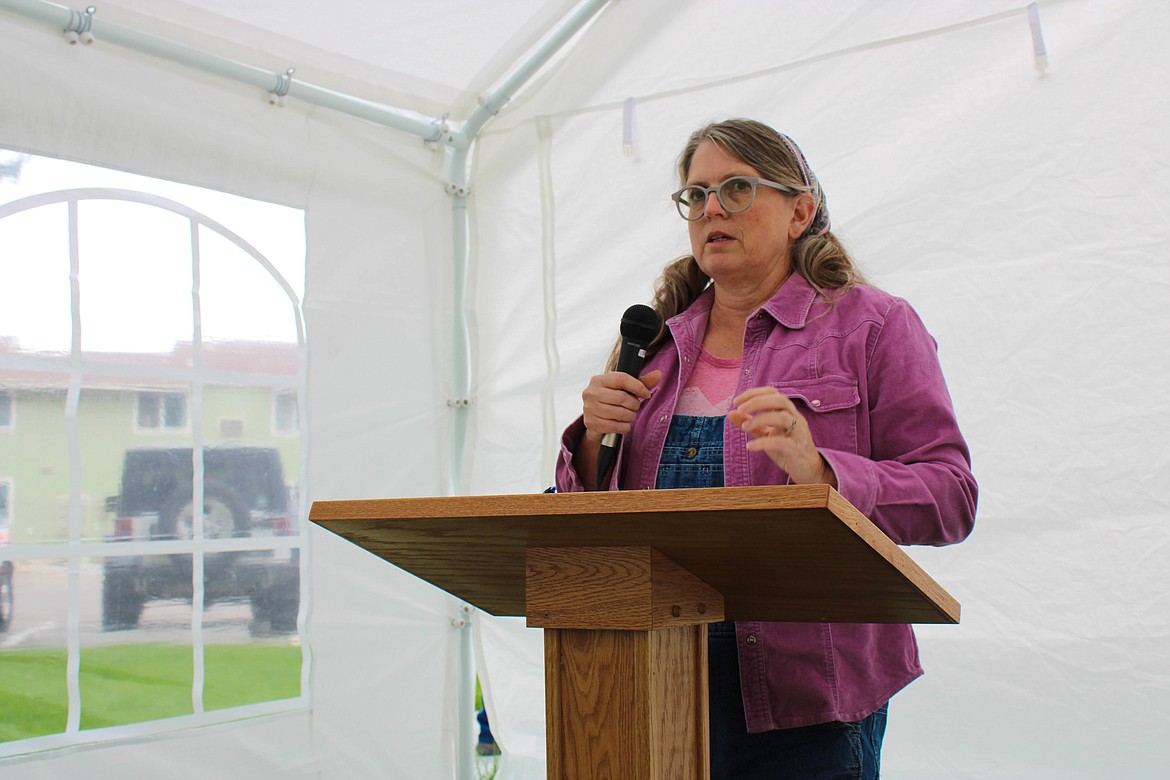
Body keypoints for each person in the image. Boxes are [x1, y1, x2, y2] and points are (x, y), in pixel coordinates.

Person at [555, 118, 977, 780]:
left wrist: (821, 472)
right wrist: (588, 446)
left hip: (804, 698)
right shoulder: (653, 346)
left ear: (800, 211)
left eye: (738, 188)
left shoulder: (874, 326)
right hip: (643, 676)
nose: (711, 208)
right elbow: (593, 518)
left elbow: (950, 497)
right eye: (696, 196)